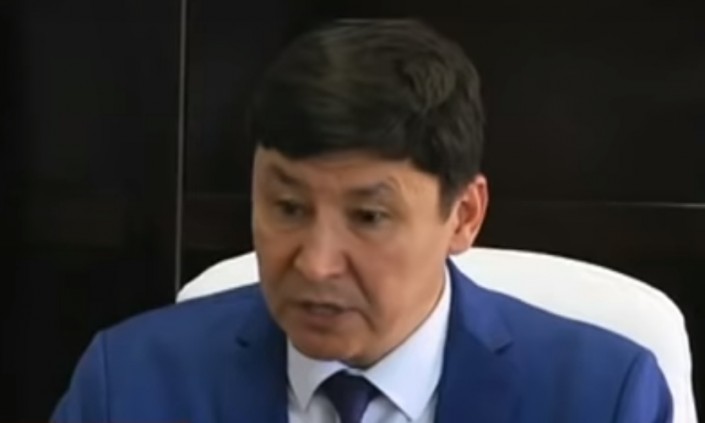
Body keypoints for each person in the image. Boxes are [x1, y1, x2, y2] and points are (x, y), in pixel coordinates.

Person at [51, 18, 672, 423]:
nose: (317, 263)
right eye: (288, 208)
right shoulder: (131, 384)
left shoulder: (599, 397)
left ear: (464, 216)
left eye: (369, 216)